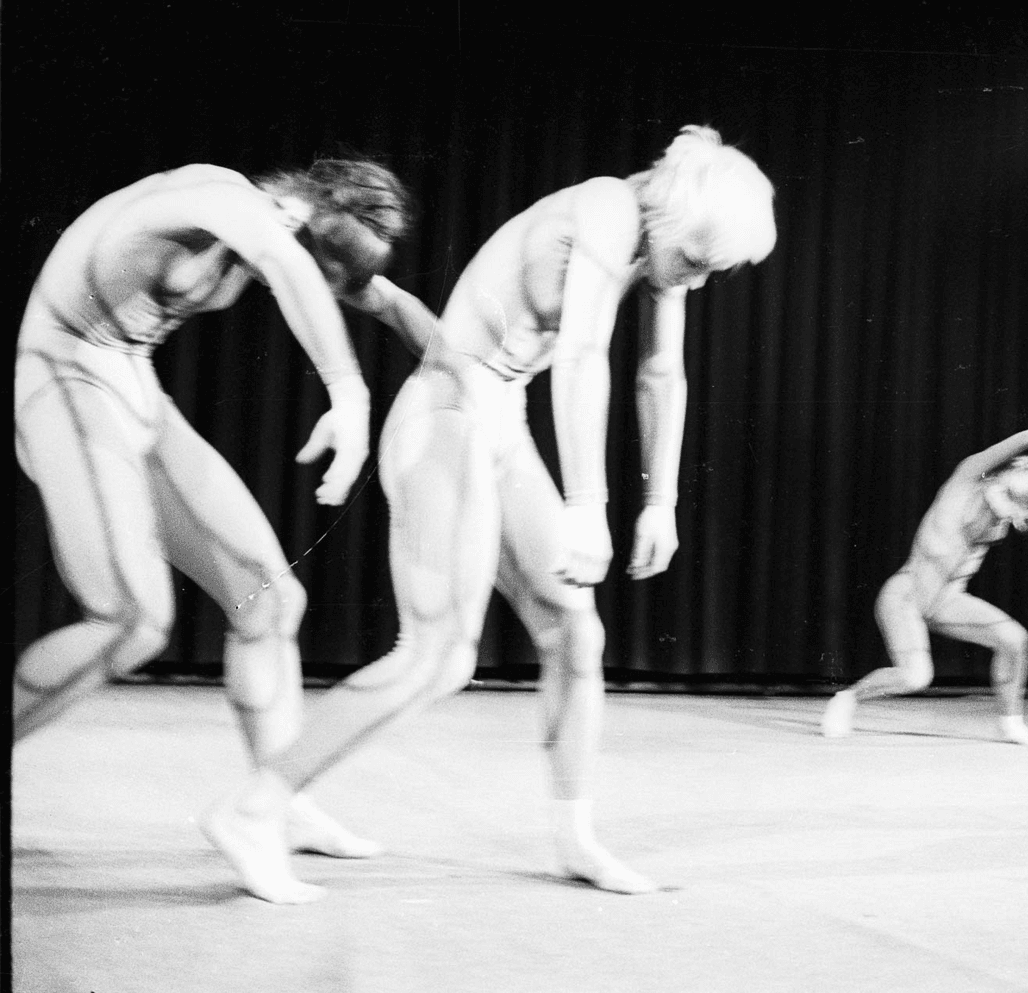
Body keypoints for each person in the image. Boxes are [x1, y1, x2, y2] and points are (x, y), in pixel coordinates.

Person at [205, 125, 778, 903]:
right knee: (438, 655)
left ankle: (576, 836)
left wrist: (662, 502)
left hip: (497, 417)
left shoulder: (655, 240)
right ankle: (253, 808)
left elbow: (660, 372)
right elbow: (580, 354)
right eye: (701, 263)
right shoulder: (608, 208)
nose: (701, 282)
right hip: (447, 411)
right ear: (678, 218)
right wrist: (587, 507)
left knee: (577, 630)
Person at [13, 158, 437, 879]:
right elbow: (280, 257)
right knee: (130, 618)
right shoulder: (221, 198)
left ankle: (275, 803)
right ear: (301, 216)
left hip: (132, 386)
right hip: (63, 379)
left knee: (268, 599)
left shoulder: (292, 242)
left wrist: (479, 380)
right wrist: (350, 397)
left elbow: (387, 303)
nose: (317, 290)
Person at [821, 429, 1028, 744]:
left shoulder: (1013, 506)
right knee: (916, 676)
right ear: (1002, 483)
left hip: (948, 601)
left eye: (1018, 518)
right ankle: (848, 698)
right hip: (906, 596)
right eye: (1010, 510)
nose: (1011, 521)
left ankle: (1010, 723)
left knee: (1014, 639)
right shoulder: (966, 479)